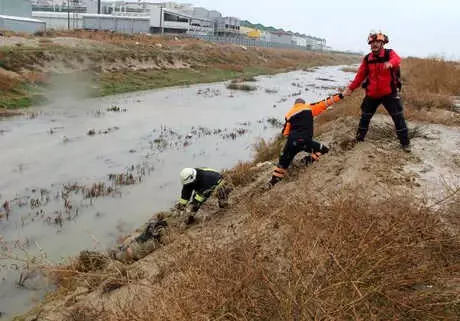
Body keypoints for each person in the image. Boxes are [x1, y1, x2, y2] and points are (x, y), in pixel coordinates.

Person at [343, 32, 411, 152]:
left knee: (398, 117)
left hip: (389, 93)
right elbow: (360, 76)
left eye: (377, 42)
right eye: (372, 42)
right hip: (372, 94)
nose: (374, 44)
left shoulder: (389, 53)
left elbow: (397, 59)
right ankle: (359, 140)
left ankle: (405, 144)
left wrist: (390, 63)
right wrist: (350, 88)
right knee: (365, 117)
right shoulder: (367, 59)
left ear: (382, 43)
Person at [268, 94, 343, 187]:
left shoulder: (289, 114)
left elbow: (285, 133)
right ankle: (307, 160)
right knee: (324, 150)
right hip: (305, 142)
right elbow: (326, 102)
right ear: (303, 103)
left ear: (295, 105)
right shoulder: (309, 108)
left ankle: (272, 182)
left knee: (283, 163)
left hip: (291, 143)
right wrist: (340, 96)